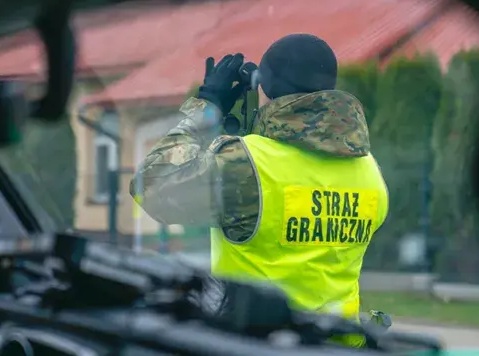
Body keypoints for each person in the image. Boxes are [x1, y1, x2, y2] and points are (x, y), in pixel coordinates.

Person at [130, 33, 389, 347]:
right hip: (340, 344)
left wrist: (208, 107)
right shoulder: (370, 171)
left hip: (257, 344)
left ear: (265, 88)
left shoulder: (244, 164)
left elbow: (151, 186)